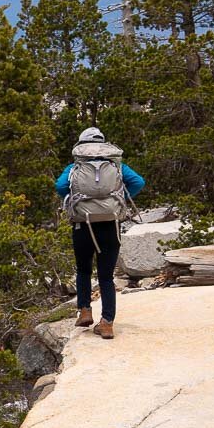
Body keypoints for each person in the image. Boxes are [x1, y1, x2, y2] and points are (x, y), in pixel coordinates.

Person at [55, 127, 144, 339]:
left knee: (84, 270)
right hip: (110, 224)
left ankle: (84, 310)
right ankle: (107, 323)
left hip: (83, 224)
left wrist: (80, 200)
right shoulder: (117, 165)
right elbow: (139, 182)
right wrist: (117, 198)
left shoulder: (75, 166)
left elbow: (60, 187)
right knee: (106, 276)